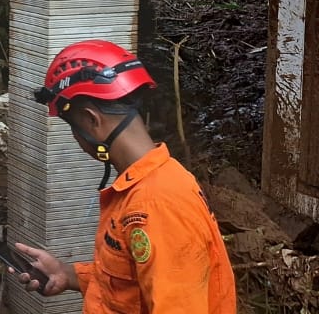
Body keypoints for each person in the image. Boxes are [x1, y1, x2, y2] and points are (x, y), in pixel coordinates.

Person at [13, 40, 236, 312]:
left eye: (73, 128)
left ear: (91, 120)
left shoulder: (156, 203)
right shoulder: (149, 184)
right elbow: (130, 283)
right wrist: (67, 274)